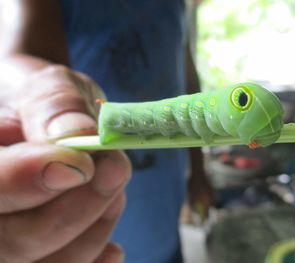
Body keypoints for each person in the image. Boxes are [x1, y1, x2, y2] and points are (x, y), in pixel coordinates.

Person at [0, 0, 212, 262]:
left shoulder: (175, 4)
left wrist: (199, 171)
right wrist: (48, 93)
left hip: (164, 207)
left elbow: (187, 75)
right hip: (90, 217)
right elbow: (13, 59)